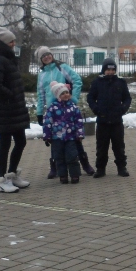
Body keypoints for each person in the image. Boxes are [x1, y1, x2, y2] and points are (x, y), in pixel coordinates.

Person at [35, 47, 94, 178]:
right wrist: (39, 112)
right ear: (40, 60)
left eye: (48, 54)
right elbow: (41, 94)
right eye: (43, 56)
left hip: (67, 108)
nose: (46, 57)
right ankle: (55, 167)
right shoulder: (42, 75)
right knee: (55, 141)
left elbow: (77, 80)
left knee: (74, 139)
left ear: (52, 55)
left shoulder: (62, 67)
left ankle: (85, 163)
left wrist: (73, 98)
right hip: (53, 111)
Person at [0, 27, 31, 193]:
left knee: (21, 141)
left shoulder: (9, 59)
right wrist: (11, 95)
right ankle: (2, 180)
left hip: (14, 109)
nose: (14, 44)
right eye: (11, 41)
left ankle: (12, 174)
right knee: (5, 144)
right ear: (3, 43)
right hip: (2, 110)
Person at [86, 58, 132, 177]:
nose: (110, 72)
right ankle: (100, 169)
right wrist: (96, 109)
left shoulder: (121, 82)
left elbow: (127, 98)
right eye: (108, 70)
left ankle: (122, 167)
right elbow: (90, 97)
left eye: (112, 70)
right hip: (102, 120)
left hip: (116, 121)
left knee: (119, 146)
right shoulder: (97, 82)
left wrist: (123, 108)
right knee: (101, 147)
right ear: (103, 70)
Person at [42, 81, 85, 184]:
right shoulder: (52, 108)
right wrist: (47, 135)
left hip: (71, 137)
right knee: (59, 157)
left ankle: (75, 175)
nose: (65, 95)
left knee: (72, 156)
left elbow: (78, 121)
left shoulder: (73, 107)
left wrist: (79, 133)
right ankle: (63, 175)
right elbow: (47, 122)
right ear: (58, 96)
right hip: (57, 138)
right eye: (62, 93)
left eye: (67, 92)